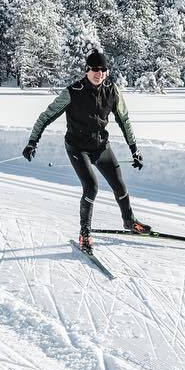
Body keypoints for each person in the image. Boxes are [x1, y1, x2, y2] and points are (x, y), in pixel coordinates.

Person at [24, 49, 149, 251]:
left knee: (119, 184)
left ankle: (129, 221)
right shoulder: (73, 92)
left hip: (101, 146)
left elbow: (124, 120)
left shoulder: (112, 90)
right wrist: (32, 142)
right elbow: (45, 116)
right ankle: (85, 234)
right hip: (77, 147)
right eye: (94, 69)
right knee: (91, 187)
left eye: (103, 69)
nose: (99, 73)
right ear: (87, 70)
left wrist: (134, 149)